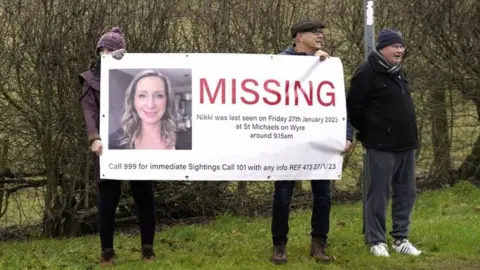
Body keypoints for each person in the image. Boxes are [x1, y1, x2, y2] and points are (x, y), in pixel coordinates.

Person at [270, 19, 354, 264]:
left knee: (324, 196)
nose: (320, 35)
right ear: (298, 36)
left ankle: (318, 244)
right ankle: (279, 246)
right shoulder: (278, 64)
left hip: (320, 141)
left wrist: (346, 134)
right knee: (283, 196)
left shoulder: (326, 66)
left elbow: (339, 103)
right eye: (314, 32)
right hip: (288, 140)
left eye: (321, 32)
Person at [78, 27, 157, 267]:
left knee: (145, 197)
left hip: (137, 145)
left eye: (110, 50)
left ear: (120, 53)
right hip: (106, 147)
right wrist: (94, 137)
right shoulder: (90, 80)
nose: (105, 54)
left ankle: (147, 250)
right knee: (107, 201)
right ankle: (107, 253)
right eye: (102, 50)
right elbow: (89, 110)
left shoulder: (136, 75)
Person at [346, 28, 422, 257]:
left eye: (401, 46)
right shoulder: (367, 72)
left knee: (406, 192)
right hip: (380, 145)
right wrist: (372, 131)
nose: (400, 50)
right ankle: (376, 241)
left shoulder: (398, 71)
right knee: (378, 194)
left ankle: (401, 238)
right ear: (382, 48)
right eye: (394, 46)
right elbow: (353, 108)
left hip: (405, 144)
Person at [108, 69, 178, 150]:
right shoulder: (111, 143)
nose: (150, 105)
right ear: (133, 100)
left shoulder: (185, 143)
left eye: (159, 96)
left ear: (167, 100)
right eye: (142, 96)